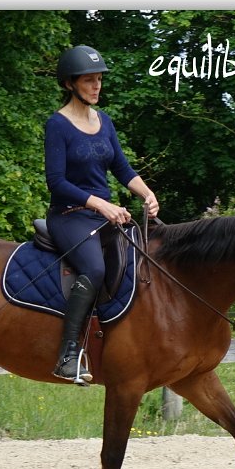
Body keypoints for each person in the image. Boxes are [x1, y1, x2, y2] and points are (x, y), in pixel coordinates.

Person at [44, 45, 159, 383]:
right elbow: (57, 182)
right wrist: (101, 203)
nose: (96, 86)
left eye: (99, 80)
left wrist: (147, 193)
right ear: (70, 84)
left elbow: (121, 167)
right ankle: (67, 356)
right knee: (94, 268)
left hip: (104, 216)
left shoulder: (103, 121)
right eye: (89, 80)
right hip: (70, 216)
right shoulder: (58, 124)